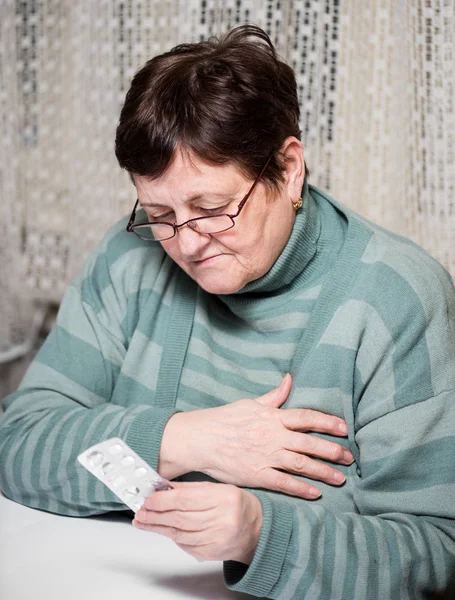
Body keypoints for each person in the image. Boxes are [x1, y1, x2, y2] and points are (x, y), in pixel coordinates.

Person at [1, 24, 455, 599]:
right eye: (159, 212)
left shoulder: (396, 298)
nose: (186, 243)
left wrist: (260, 535)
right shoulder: (129, 257)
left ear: (289, 170)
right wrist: (186, 439)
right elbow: (17, 442)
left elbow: (436, 550)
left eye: (212, 208)